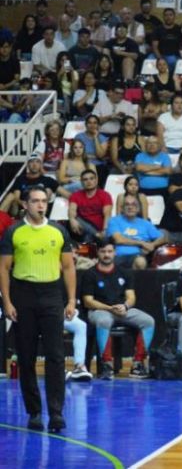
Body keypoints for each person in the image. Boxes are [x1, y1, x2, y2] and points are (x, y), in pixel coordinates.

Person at [0, 186, 76, 433]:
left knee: (56, 356)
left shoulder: (58, 230)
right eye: (35, 201)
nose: (41, 205)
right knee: (26, 357)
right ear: (25, 204)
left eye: (44, 201)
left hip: (52, 294)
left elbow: (68, 267)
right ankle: (34, 412)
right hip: (23, 295)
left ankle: (56, 413)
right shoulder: (13, 231)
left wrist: (71, 300)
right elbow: (3, 268)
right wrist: (7, 301)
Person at [81, 242, 155, 380]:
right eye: (103, 251)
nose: (106, 255)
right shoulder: (90, 274)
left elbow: (131, 297)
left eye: (109, 251)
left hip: (122, 310)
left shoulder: (124, 272)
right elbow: (88, 301)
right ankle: (106, 365)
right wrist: (110, 308)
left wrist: (125, 306)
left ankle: (137, 364)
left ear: (115, 252)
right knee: (104, 321)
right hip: (99, 311)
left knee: (148, 321)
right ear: (98, 253)